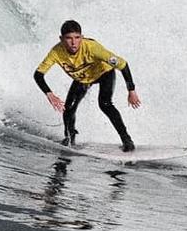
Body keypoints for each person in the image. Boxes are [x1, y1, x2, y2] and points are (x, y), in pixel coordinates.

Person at [33, 20, 142, 152]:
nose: (73, 42)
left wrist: (131, 90)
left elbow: (123, 64)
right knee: (69, 108)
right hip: (83, 78)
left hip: (104, 73)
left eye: (77, 38)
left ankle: (127, 140)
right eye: (69, 38)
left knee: (105, 104)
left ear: (82, 37)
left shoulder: (92, 48)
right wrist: (49, 94)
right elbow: (38, 74)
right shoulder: (56, 52)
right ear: (61, 39)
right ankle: (69, 137)